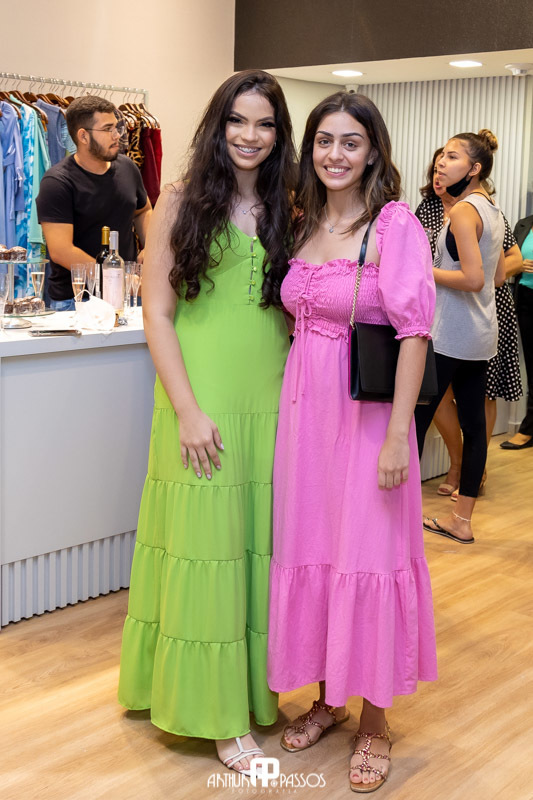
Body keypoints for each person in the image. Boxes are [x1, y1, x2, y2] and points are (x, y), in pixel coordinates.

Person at [118, 70, 296, 776]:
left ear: (279, 134)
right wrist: (188, 410)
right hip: (201, 400)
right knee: (204, 551)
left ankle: (248, 694)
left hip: (270, 400)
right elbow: (157, 314)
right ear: (217, 126)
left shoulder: (290, 206)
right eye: (238, 121)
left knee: (253, 549)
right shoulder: (180, 198)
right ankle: (217, 715)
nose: (250, 136)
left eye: (265, 124)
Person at [267, 92, 437, 793]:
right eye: (324, 141)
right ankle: (328, 697)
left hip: (367, 422)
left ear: (372, 152)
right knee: (316, 550)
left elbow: (414, 332)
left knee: (369, 557)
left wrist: (398, 436)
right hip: (305, 421)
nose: (334, 154)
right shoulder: (301, 222)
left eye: (350, 142)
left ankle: (374, 721)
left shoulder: (394, 225)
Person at [415, 130, 506, 543]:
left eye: (452, 157)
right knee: (473, 426)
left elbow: (473, 279)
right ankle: (461, 521)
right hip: (479, 335)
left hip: (449, 334)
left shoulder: (464, 211)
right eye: (442, 156)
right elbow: (498, 276)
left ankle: (399, 521)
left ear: (474, 168)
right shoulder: (492, 209)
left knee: (414, 421)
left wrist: (421, 269)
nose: (441, 162)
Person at [36, 95, 151, 310]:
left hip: (128, 297)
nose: (117, 135)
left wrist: (150, 247)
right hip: (77, 300)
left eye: (116, 127)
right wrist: (116, 279)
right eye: (108, 129)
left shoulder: (127, 167)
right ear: (83, 136)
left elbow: (143, 210)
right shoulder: (57, 182)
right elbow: (61, 250)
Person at [500, 213, 533, 450]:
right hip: (526, 300)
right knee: (531, 366)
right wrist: (519, 266)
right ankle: (529, 429)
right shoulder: (524, 224)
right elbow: (506, 261)